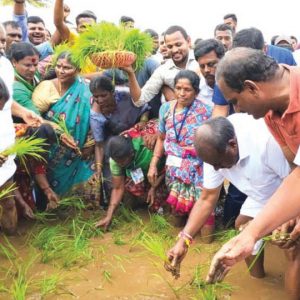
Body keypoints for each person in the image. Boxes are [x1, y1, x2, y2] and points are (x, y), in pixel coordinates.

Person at [207, 47, 300, 300]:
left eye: (235, 101)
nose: (236, 109)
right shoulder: (271, 113)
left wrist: (251, 234)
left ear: (251, 88)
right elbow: (295, 169)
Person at [167, 115, 291, 282]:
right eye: (212, 165)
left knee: (289, 244)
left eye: (218, 163)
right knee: (242, 227)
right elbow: (207, 198)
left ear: (233, 144)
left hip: (289, 190)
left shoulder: (265, 141)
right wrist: (184, 240)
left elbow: (294, 182)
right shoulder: (213, 154)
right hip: (262, 192)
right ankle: (259, 280)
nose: (216, 169)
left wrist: (280, 222)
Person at [148, 70, 213, 227]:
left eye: (187, 90)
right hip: (174, 169)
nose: (182, 93)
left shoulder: (207, 112)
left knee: (205, 223)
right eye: (178, 88)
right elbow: (161, 138)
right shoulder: (166, 109)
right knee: (175, 219)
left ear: (196, 92)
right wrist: (153, 164)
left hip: (198, 170)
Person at [32, 51, 98, 202]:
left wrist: (90, 142)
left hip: (78, 148)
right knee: (46, 176)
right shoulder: (46, 87)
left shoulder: (87, 89)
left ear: (78, 70)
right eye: (58, 66)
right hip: (50, 146)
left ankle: (73, 207)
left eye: (67, 68)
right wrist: (57, 130)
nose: (61, 71)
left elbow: (95, 117)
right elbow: (34, 118)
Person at [89, 75, 149, 199]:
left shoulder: (127, 94)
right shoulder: (96, 114)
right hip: (116, 141)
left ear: (112, 92)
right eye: (96, 97)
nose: (99, 100)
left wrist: (143, 121)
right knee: (112, 179)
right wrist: (98, 168)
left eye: (103, 95)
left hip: (138, 134)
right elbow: (99, 144)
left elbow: (145, 107)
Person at [95, 135, 166, 230]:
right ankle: (142, 203)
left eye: (122, 161)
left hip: (163, 173)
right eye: (116, 160)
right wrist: (109, 216)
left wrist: (154, 187)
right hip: (144, 176)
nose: (119, 164)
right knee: (130, 191)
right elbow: (117, 188)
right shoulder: (115, 161)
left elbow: (169, 165)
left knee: (161, 205)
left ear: (131, 154)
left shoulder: (147, 146)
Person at [123, 25, 200, 107]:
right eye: (170, 46)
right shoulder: (163, 70)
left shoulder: (201, 60)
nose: (174, 50)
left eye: (178, 44)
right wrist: (130, 73)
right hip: (179, 117)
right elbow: (139, 100)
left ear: (188, 41)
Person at [8, 42, 41, 115]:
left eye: (35, 65)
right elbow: (36, 117)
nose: (32, 69)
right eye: (27, 65)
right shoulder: (15, 88)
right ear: (14, 62)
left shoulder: (35, 74)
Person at [194, 39, 225, 106]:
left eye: (211, 64)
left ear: (223, 60)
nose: (206, 70)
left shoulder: (234, 86)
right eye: (202, 66)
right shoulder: (196, 90)